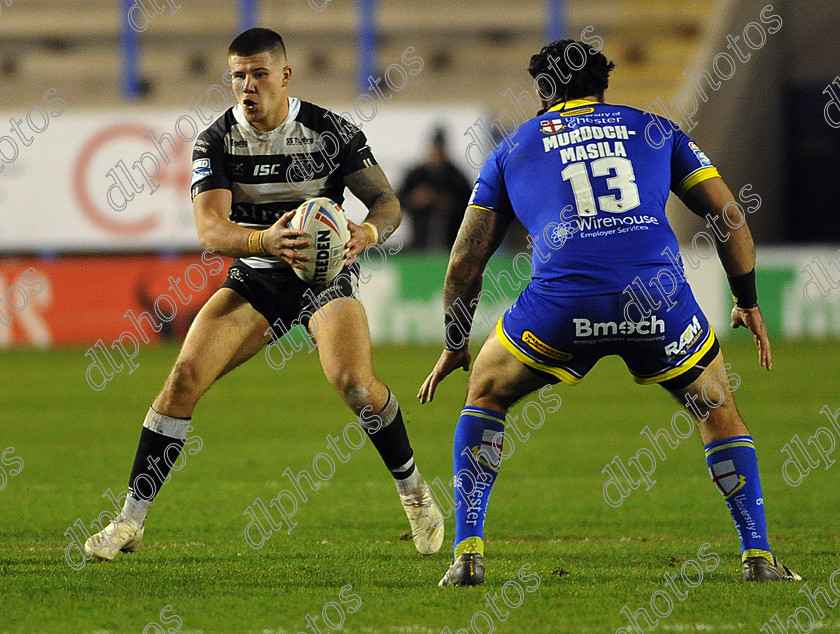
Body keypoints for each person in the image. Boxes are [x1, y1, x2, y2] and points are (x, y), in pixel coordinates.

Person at [418, 38, 799, 586]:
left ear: (543, 92)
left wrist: (456, 343)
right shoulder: (656, 129)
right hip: (657, 300)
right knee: (716, 406)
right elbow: (729, 215)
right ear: (603, 87)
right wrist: (747, 300)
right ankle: (759, 557)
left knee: (485, 392)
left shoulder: (513, 148)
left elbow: (463, 263)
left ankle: (468, 555)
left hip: (561, 306)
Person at [84, 27, 443, 562]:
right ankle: (130, 520)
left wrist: (365, 234)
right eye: (237, 76)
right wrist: (263, 240)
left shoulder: (329, 131)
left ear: (284, 75)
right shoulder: (216, 140)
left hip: (324, 278)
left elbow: (387, 203)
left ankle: (416, 496)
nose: (246, 87)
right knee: (182, 379)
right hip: (256, 276)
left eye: (258, 74)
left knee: (355, 385)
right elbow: (211, 231)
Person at [398, 127, 473, 250]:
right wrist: (415, 200)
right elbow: (397, 202)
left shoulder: (456, 176)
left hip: (451, 244)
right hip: (419, 243)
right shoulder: (416, 175)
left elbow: (471, 204)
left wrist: (451, 204)